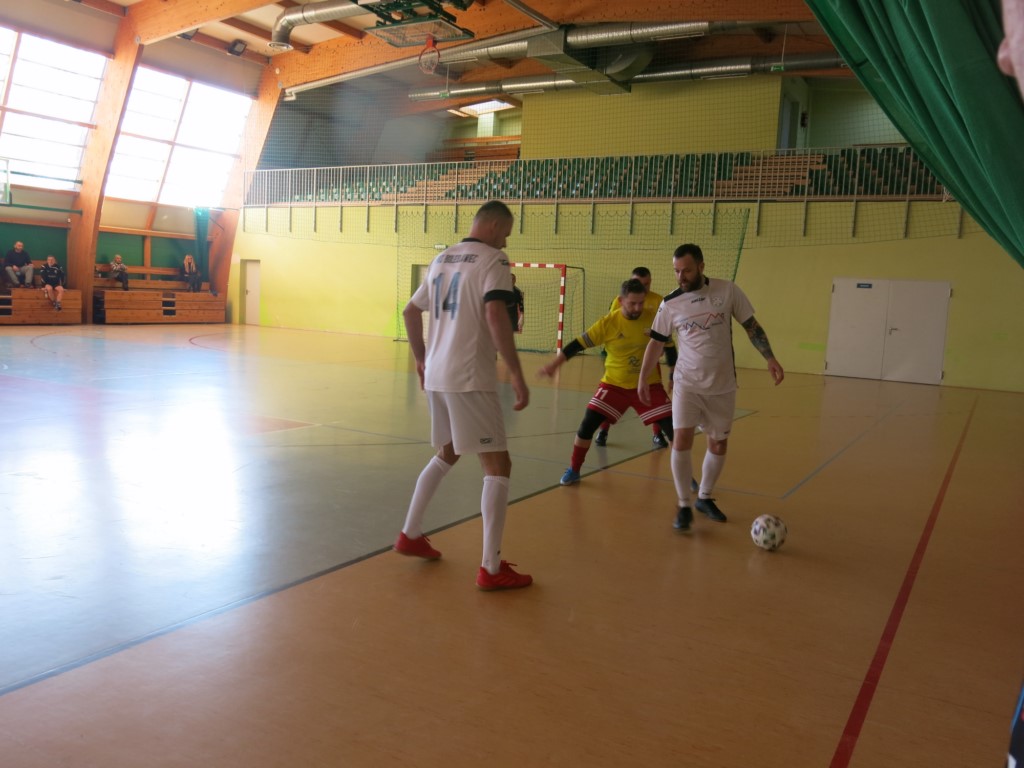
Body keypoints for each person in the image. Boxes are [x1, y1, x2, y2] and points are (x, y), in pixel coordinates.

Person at [394, 200, 533, 591]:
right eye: (506, 233)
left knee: (449, 451)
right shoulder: (493, 260)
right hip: (469, 375)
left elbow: (409, 311)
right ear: (493, 226)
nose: (506, 242)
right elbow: (495, 315)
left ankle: (410, 533)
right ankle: (491, 568)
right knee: (498, 464)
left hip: (438, 375)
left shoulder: (441, 259)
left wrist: (421, 359)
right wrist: (516, 373)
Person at [638, 243, 784, 532]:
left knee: (718, 443)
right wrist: (643, 377)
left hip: (722, 385)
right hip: (687, 384)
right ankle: (683, 505)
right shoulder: (671, 303)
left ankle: (704, 497)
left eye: (687, 270)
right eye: (676, 271)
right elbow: (656, 342)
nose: (681, 277)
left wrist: (769, 357)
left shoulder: (727, 290)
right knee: (681, 439)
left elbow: (751, 326)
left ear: (701, 267)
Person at [540, 277, 675, 487]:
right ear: (621, 301)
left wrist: (673, 373)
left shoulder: (654, 319)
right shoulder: (608, 323)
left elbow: (670, 347)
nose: (638, 308)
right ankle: (574, 469)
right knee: (587, 425)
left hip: (648, 385)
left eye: (641, 303)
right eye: (632, 303)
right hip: (614, 385)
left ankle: (686, 477)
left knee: (674, 433)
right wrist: (554, 365)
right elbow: (577, 344)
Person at [595, 266, 678, 449]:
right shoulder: (619, 302)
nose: (644, 287)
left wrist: (672, 368)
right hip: (623, 361)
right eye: (639, 283)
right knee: (612, 397)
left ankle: (657, 434)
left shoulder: (658, 301)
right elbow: (612, 326)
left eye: (647, 284)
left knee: (654, 397)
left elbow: (665, 336)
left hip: (648, 359)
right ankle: (603, 430)